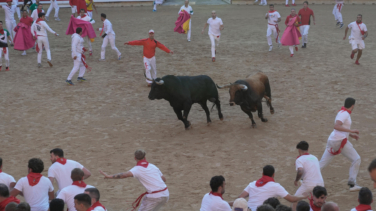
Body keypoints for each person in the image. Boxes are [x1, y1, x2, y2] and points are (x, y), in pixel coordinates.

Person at [99, 149, 169, 211]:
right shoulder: (153, 166)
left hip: (154, 197)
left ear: (135, 158)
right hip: (165, 194)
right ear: (145, 157)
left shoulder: (136, 169)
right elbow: (164, 179)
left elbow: (124, 175)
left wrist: (109, 176)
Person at [319, 98, 361, 191]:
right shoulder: (345, 114)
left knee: (322, 163)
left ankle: (304, 178)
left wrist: (351, 135)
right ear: (353, 105)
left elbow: (340, 127)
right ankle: (352, 184)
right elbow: (337, 126)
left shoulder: (342, 112)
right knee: (356, 159)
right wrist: (351, 130)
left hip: (332, 140)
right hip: (339, 141)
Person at [231, 165, 305, 211]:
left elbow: (240, 197)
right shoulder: (275, 186)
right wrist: (303, 196)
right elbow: (291, 199)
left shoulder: (252, 184)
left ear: (262, 174)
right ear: (273, 174)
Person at [293, 141, 324, 210]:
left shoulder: (299, 159)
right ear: (308, 149)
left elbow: (300, 172)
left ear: (299, 150)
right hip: (320, 183)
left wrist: (296, 180)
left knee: (294, 200)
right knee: (318, 203)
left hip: (309, 184)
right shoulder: (314, 157)